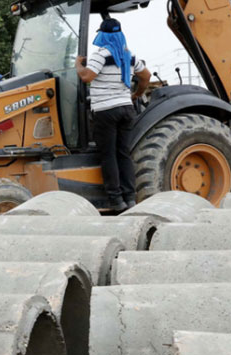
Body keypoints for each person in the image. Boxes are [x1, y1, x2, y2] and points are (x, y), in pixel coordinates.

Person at [76, 18, 151, 212]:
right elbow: (146, 76)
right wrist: (137, 94)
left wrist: (78, 65)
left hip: (105, 111)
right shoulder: (129, 55)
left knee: (108, 155)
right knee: (123, 154)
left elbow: (86, 77)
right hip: (126, 109)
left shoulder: (100, 54)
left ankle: (116, 200)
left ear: (103, 35)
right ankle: (130, 198)